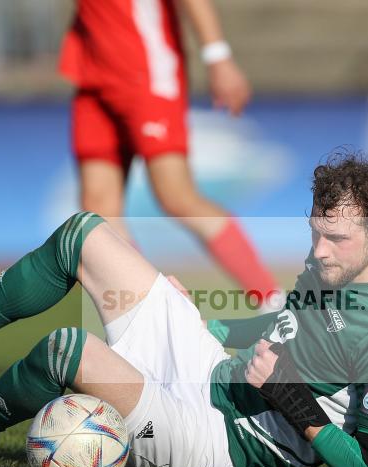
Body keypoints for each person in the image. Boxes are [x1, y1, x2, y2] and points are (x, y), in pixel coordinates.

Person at [0, 153, 368, 467]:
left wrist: (294, 399)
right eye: (315, 234)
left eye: (337, 239)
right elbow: (284, 328)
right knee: (83, 234)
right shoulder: (331, 264)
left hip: (223, 442)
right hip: (210, 373)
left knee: (67, 350)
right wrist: (203, 321)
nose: (320, 251)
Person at [59, 0, 280, 304]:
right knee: (99, 210)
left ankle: (273, 300)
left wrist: (218, 57)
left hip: (145, 70)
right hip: (93, 73)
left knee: (177, 197)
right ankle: (152, 313)